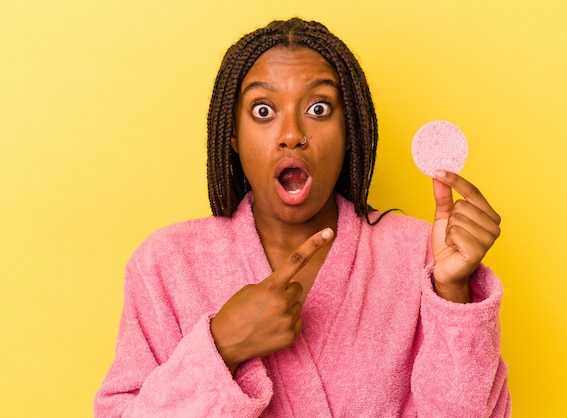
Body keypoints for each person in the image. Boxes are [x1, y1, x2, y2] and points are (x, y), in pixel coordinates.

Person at [94, 17, 511, 417]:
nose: (292, 133)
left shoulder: (421, 255)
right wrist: (221, 347)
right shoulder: (167, 263)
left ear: (350, 131)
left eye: (318, 108)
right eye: (263, 110)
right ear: (233, 135)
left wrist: (453, 292)